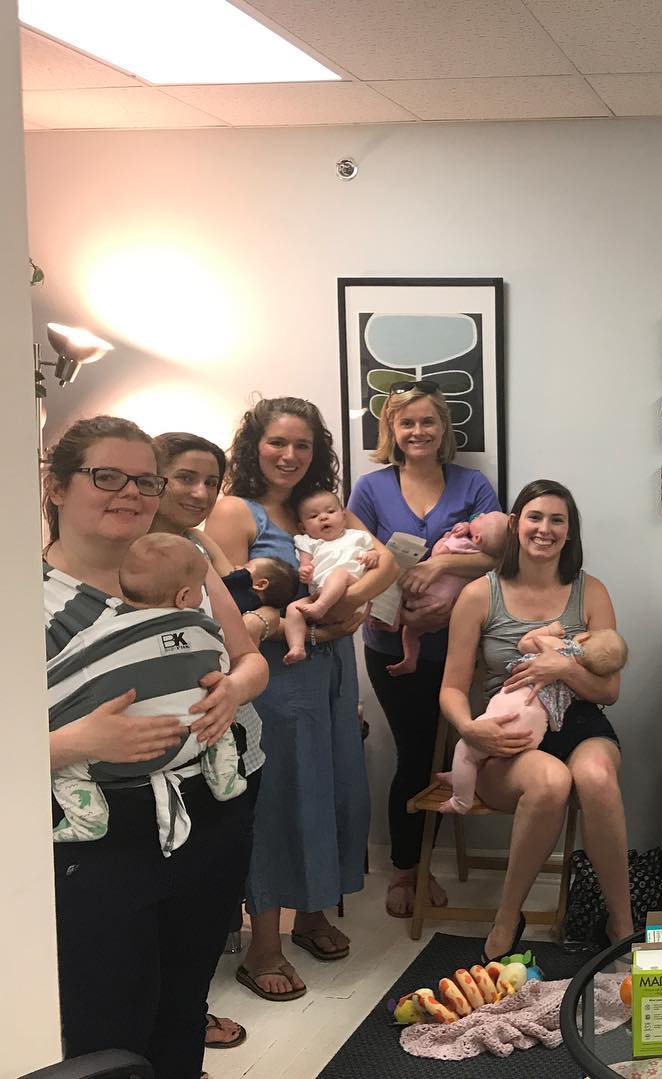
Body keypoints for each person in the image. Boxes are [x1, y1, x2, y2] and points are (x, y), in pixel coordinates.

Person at [44, 416, 268, 1078]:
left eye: (146, 480)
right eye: (106, 476)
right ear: (56, 487)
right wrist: (77, 741)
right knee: (106, 1023)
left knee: (184, 1002)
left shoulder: (182, 567)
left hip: (209, 816)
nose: (132, 493)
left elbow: (250, 659)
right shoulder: (26, 598)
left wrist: (232, 691)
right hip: (97, 839)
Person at [208, 397, 395, 1000]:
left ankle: (314, 913)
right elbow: (226, 611)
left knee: (332, 788)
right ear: (253, 446)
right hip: (274, 678)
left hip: (333, 673)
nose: (290, 455)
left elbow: (387, 563)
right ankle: (264, 944)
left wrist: (341, 606)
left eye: (303, 445)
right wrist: (318, 623)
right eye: (277, 443)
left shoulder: (321, 507)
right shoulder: (234, 510)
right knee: (279, 799)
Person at [441, 479, 633, 956]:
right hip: (510, 732)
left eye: (557, 520)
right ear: (515, 524)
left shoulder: (591, 592)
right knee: (550, 783)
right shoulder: (479, 595)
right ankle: (507, 919)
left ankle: (621, 926)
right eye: (535, 517)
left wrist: (563, 668)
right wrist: (469, 728)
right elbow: (451, 687)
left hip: (580, 722)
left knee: (597, 776)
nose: (545, 529)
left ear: (569, 532)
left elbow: (609, 690)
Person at [346, 382, 501, 917]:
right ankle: (408, 869)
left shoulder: (473, 484)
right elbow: (356, 556)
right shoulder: (370, 489)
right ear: (391, 429)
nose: (417, 431)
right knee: (414, 753)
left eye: (427, 421)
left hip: (459, 645)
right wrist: (409, 612)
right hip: (390, 643)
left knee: (450, 755)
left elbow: (498, 557)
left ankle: (429, 856)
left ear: (443, 428)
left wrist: (440, 566)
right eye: (406, 422)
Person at [150, 431, 259, 1054]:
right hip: (163, 762)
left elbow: (244, 649)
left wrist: (235, 687)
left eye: (210, 482)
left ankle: (187, 1025)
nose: (199, 492)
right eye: (183, 477)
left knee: (207, 910)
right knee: (161, 918)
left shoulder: (193, 547)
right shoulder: (132, 557)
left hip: (232, 746)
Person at [52, 535, 247, 844]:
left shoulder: (98, 635)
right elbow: (221, 669)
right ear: (184, 596)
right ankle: (225, 778)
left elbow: (64, 677)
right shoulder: (202, 630)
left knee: (66, 771)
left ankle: (88, 819)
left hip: (109, 763)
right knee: (217, 719)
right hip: (190, 738)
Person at [440, 624, 628, 813]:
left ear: (585, 637)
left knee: (466, 750)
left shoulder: (560, 646)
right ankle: (459, 776)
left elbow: (525, 643)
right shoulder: (582, 677)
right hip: (537, 729)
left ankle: (460, 802)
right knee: (487, 754)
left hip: (512, 714)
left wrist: (549, 631)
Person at [387, 511, 509, 676]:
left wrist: (446, 538)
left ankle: (395, 626)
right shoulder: (481, 553)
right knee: (412, 631)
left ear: (477, 538)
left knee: (397, 594)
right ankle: (410, 658)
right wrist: (467, 526)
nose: (480, 514)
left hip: (426, 591)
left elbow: (438, 553)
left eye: (481, 518)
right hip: (446, 605)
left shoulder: (461, 542)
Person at [283, 488, 380, 664]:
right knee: (293, 609)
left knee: (339, 573)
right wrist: (304, 572)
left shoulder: (356, 536)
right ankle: (297, 647)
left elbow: (374, 553)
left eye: (330, 511)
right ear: (303, 527)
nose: (323, 517)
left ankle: (320, 607)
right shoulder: (308, 542)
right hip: (320, 591)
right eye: (313, 516)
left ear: (344, 516)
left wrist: (371, 557)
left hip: (350, 585)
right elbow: (305, 564)